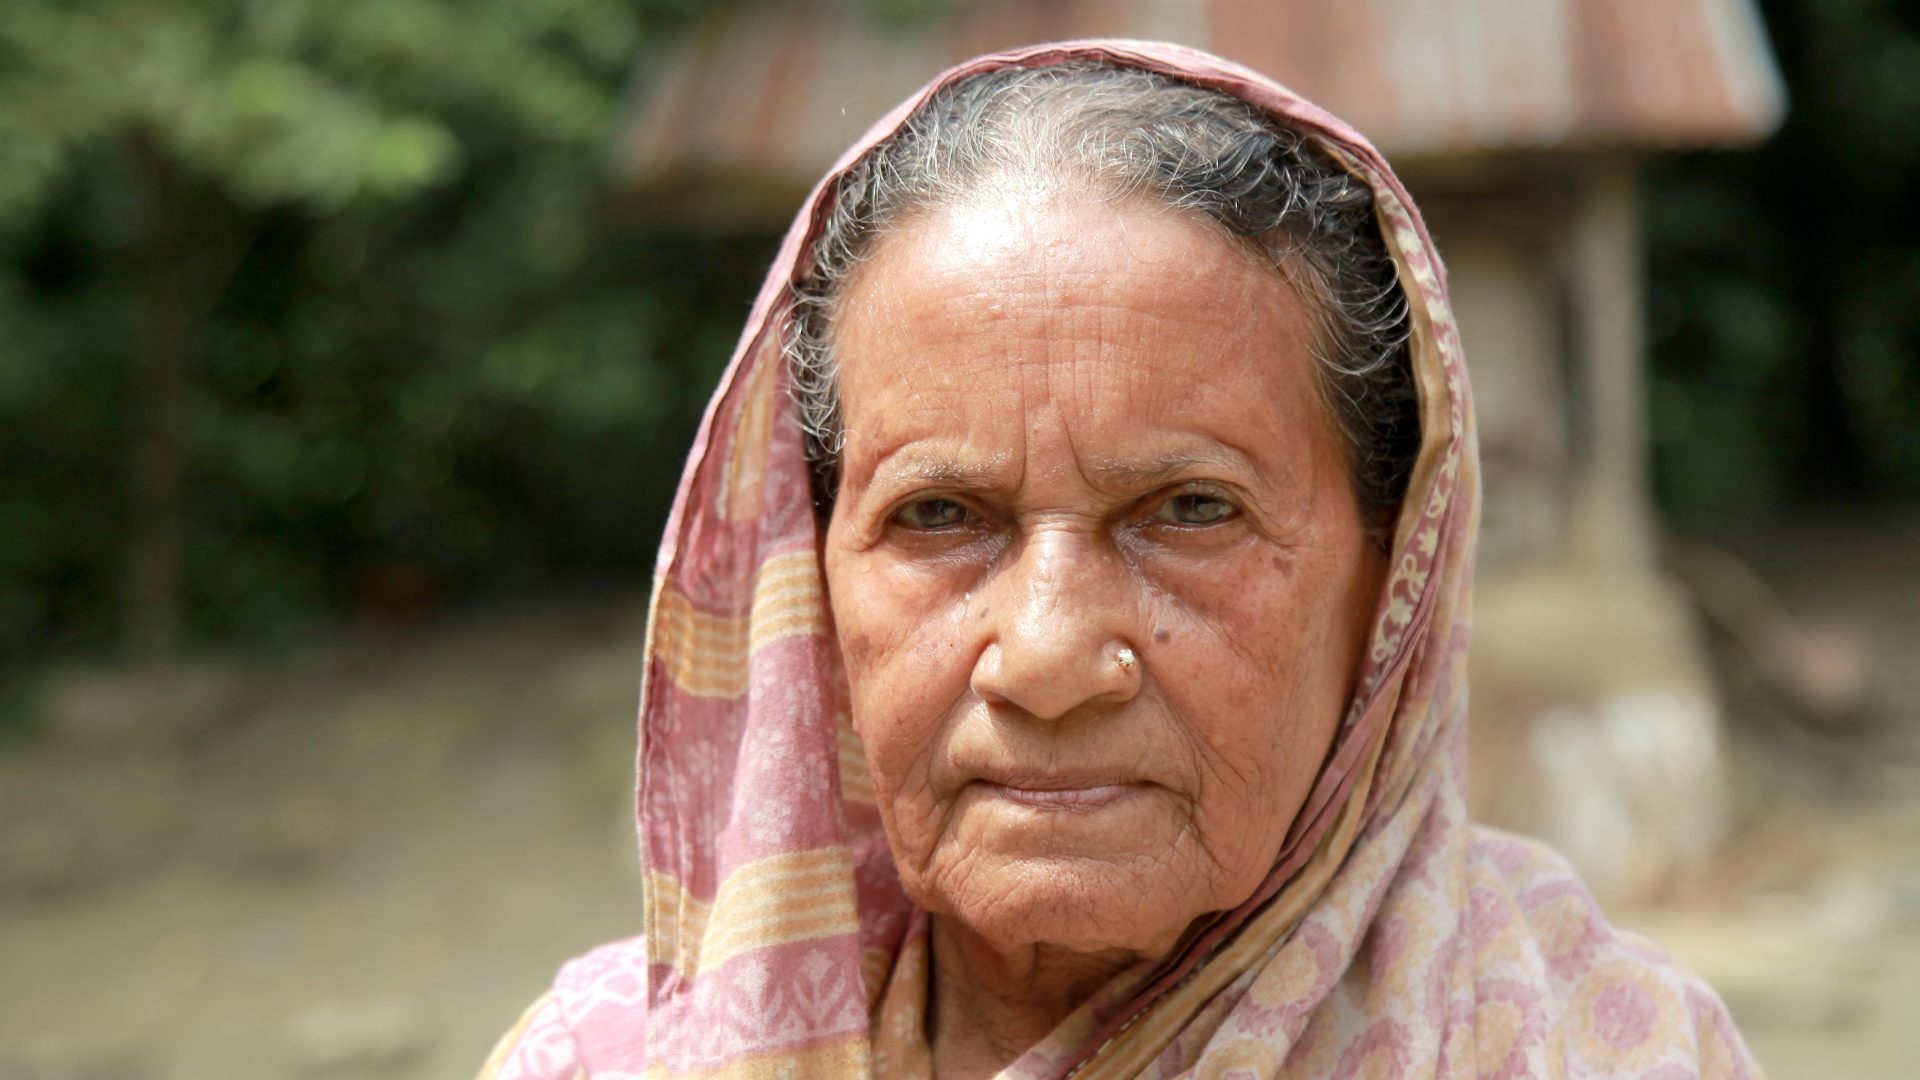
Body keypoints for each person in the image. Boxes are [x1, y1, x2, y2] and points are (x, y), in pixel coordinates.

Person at [478, 40, 1757, 1080]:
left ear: (1391, 584)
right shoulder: (610, 1064)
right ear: (816, 580)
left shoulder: (1588, 1049)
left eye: (1190, 510)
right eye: (938, 517)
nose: (1045, 658)